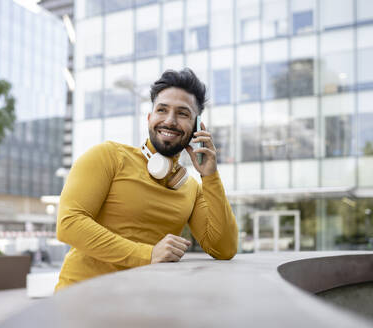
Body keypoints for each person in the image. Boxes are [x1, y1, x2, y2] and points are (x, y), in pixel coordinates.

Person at [55, 68, 238, 292]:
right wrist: (148, 254)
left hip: (144, 304)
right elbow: (69, 224)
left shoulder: (191, 188)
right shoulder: (108, 156)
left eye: (183, 113)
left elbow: (224, 249)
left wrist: (210, 176)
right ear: (150, 117)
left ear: (196, 127)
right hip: (81, 301)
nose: (169, 121)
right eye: (162, 110)